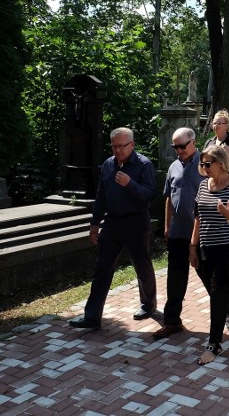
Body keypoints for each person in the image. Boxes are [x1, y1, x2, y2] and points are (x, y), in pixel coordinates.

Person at [70, 128, 157, 330]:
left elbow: (150, 195)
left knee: (142, 265)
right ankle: (91, 317)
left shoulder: (144, 165)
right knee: (102, 269)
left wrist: (130, 184)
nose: (118, 150)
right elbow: (101, 195)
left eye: (122, 146)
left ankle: (148, 304)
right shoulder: (108, 165)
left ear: (132, 145)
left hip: (136, 223)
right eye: (114, 146)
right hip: (112, 223)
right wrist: (94, 223)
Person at [188, 145, 229, 365]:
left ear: (221, 162)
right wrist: (192, 247)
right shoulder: (202, 186)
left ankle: (213, 344)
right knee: (215, 292)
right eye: (202, 164)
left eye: (208, 164)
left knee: (217, 297)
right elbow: (197, 219)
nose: (204, 168)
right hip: (205, 249)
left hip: (227, 251)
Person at [153, 127, 201, 341]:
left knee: (211, 277)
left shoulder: (206, 164)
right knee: (175, 277)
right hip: (178, 232)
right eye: (175, 147)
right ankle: (172, 321)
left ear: (193, 142)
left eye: (182, 146)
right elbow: (168, 198)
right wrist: (167, 225)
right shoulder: (173, 167)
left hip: (201, 234)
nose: (178, 150)